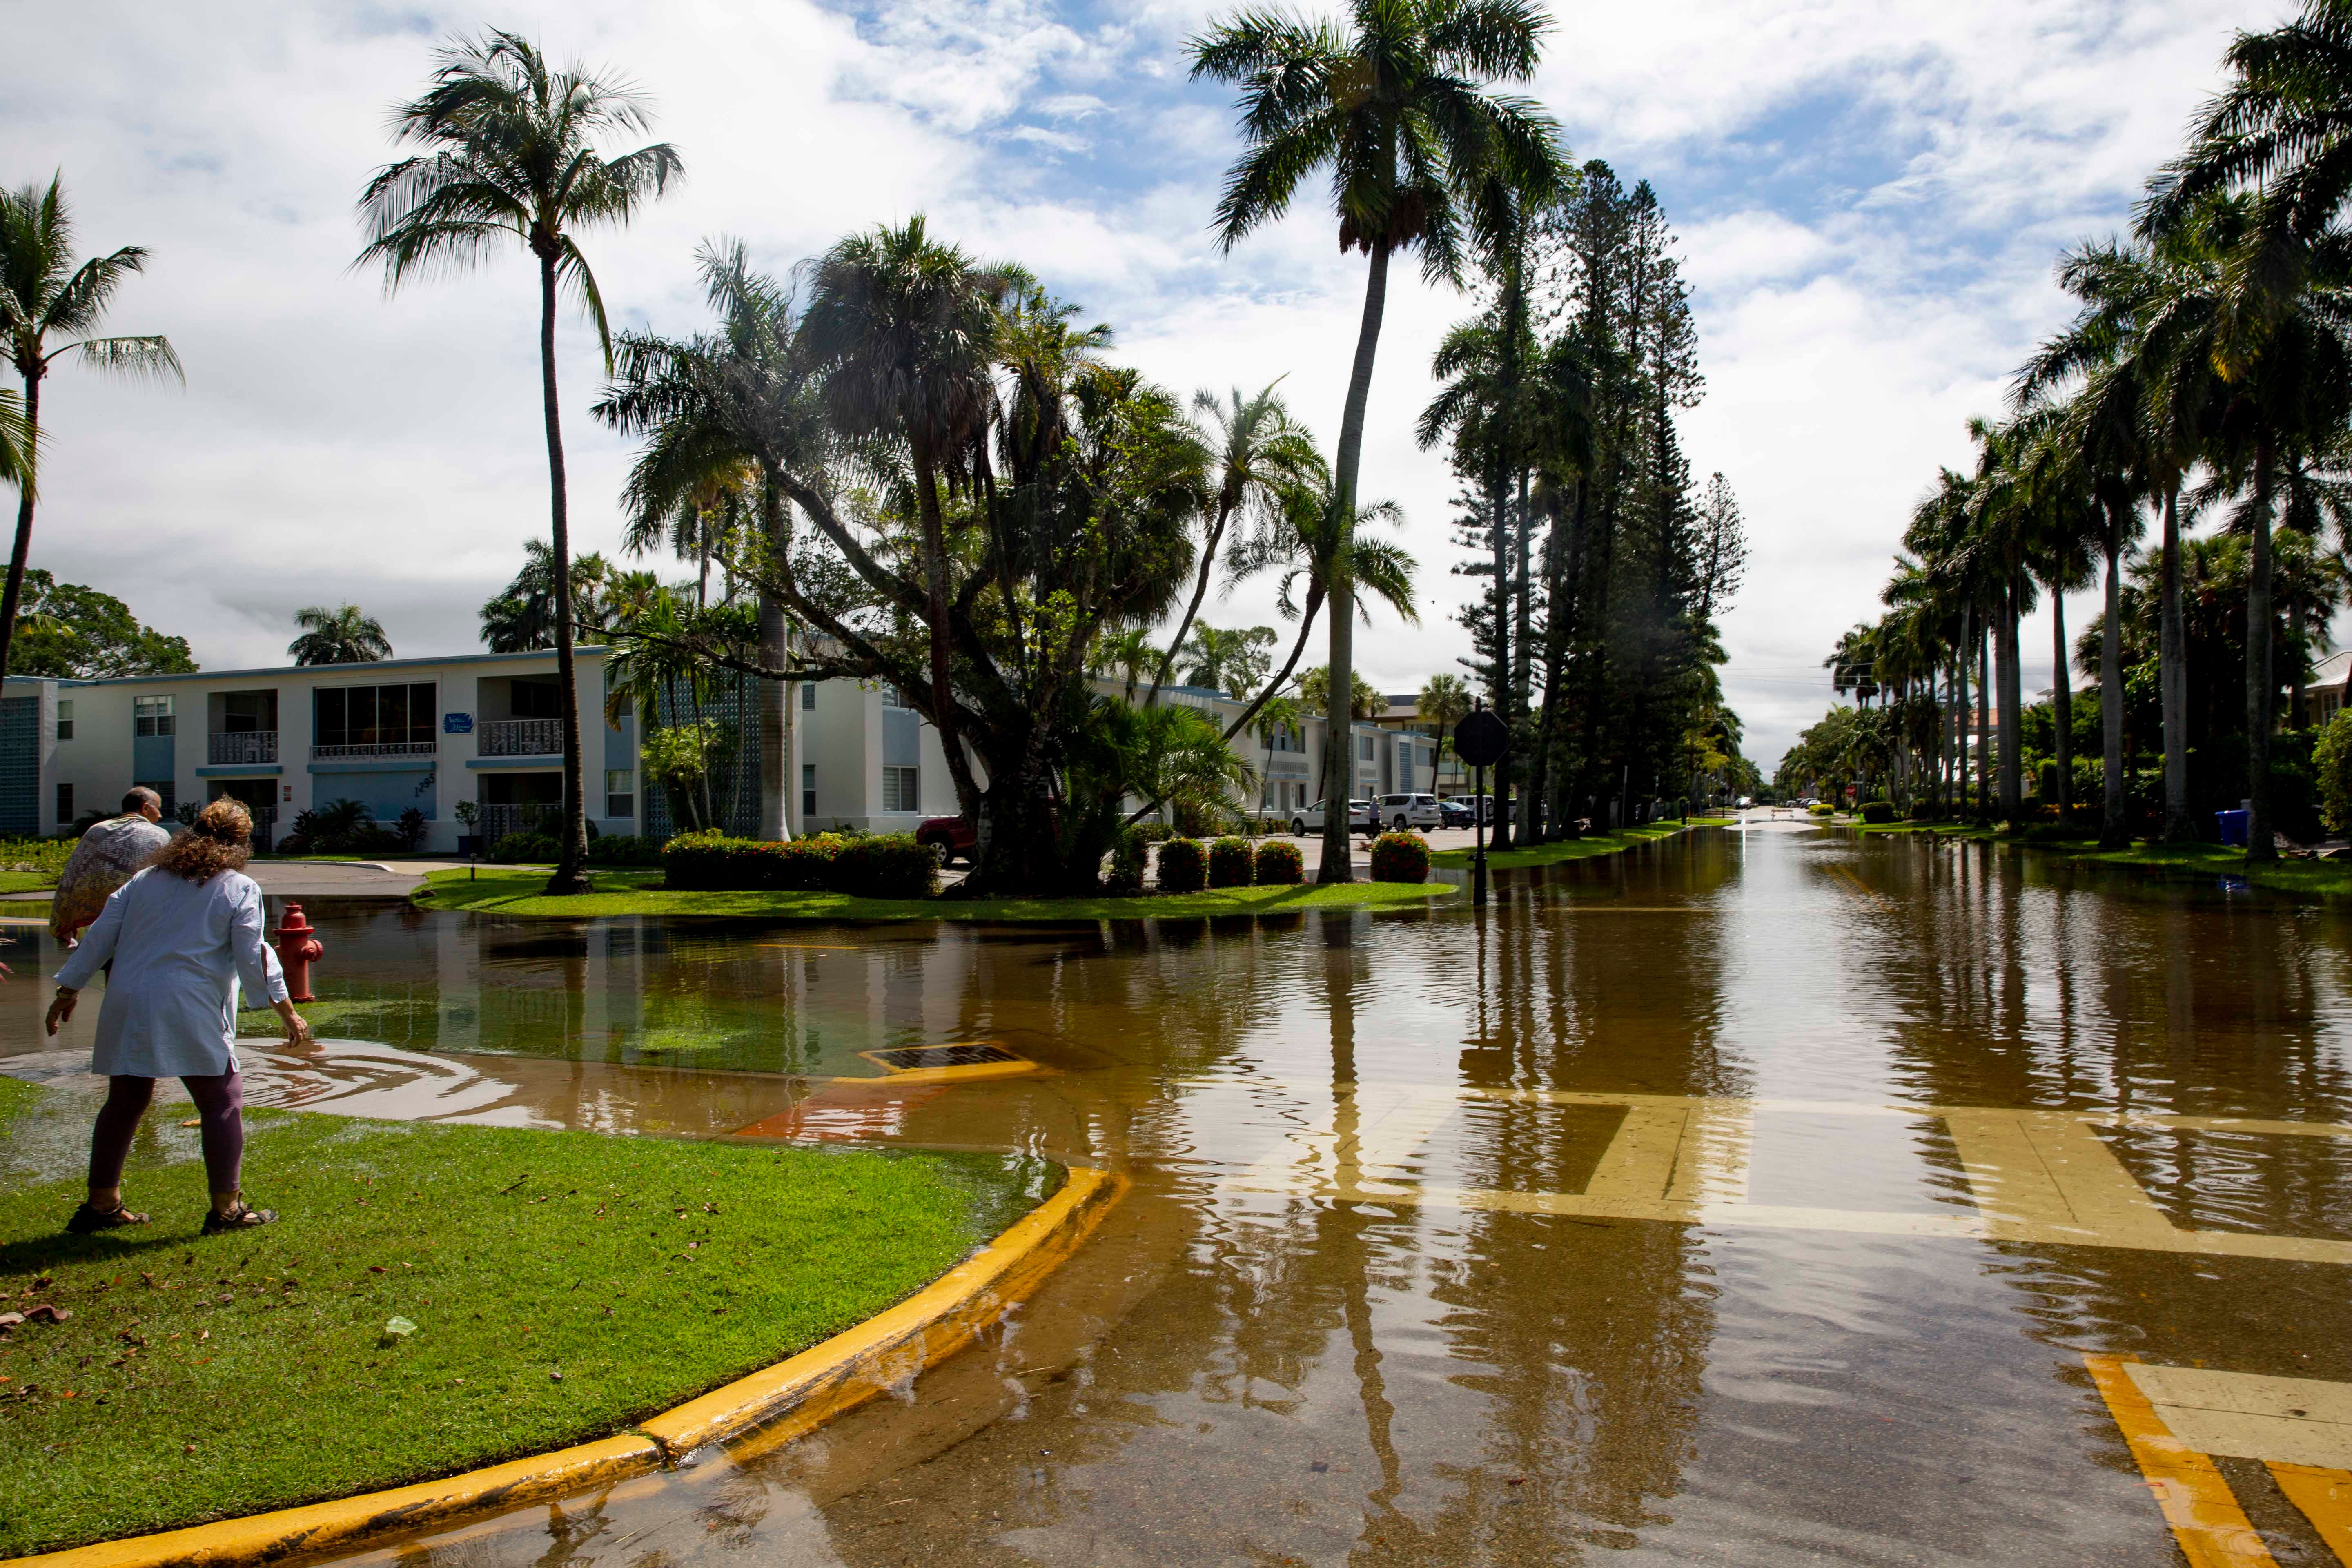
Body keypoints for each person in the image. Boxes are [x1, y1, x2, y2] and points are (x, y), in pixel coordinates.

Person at [45, 797, 312, 1235]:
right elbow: (253, 954)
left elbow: (100, 938)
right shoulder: (236, 887)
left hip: (128, 999)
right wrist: (287, 1012)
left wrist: (67, 990)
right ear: (240, 844)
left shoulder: (146, 879)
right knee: (223, 1100)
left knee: (126, 1099)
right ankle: (227, 1210)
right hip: (188, 1003)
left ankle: (101, 1204)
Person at [50, 788, 173, 946]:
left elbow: (73, 873)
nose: (160, 815)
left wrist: (67, 919)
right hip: (141, 916)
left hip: (103, 917)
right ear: (146, 808)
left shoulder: (97, 831)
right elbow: (169, 877)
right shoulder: (159, 835)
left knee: (107, 960)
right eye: (159, 809)